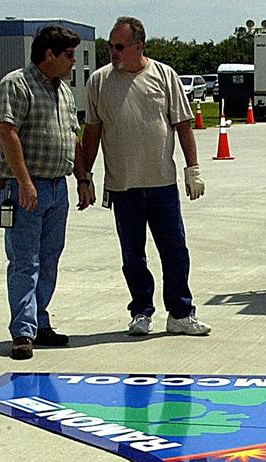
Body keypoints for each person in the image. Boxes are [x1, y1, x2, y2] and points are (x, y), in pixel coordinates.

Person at [81, 16, 210, 338]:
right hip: (123, 187)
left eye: (120, 46)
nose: (113, 52)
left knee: (175, 250)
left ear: (139, 46)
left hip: (162, 184)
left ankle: (180, 313)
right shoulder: (99, 81)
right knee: (133, 255)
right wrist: (85, 177)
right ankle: (141, 312)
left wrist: (192, 169)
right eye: (110, 46)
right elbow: (92, 133)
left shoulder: (164, 76)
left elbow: (183, 125)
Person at [0, 25, 93, 360]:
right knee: (25, 261)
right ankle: (22, 332)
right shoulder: (17, 84)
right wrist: (24, 182)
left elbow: (73, 136)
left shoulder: (63, 90)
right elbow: (8, 133)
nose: (73, 62)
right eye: (69, 55)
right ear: (49, 54)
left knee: (49, 260)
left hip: (56, 188)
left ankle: (39, 322)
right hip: (24, 189)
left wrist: (82, 179)